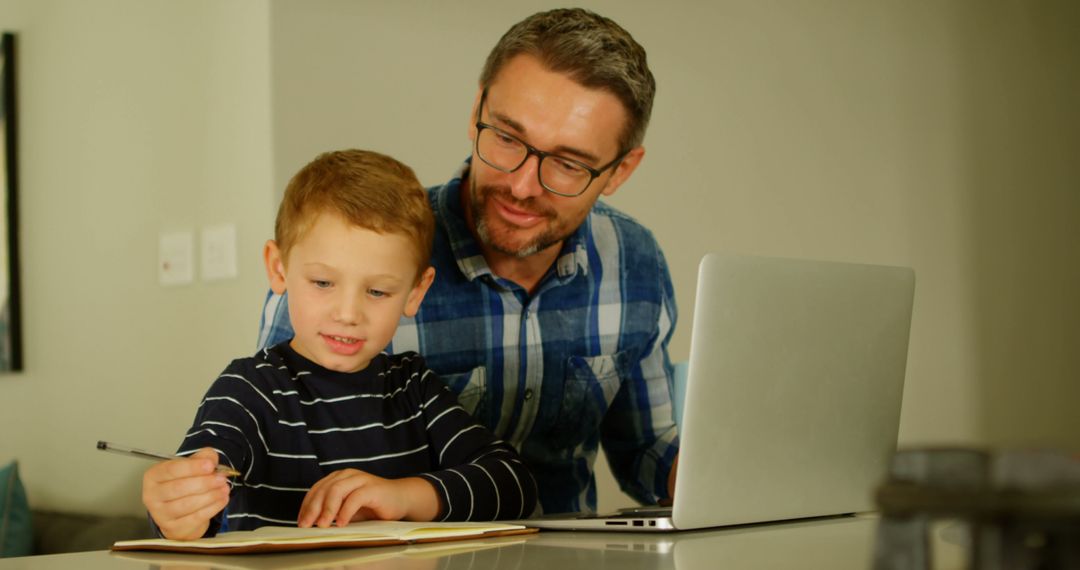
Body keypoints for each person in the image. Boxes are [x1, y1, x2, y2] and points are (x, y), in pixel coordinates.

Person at [260, 8, 678, 515]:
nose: (520, 187)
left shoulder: (635, 263)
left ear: (619, 171)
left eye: (568, 165)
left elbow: (646, 449)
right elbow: (275, 456)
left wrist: (709, 473)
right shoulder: (364, 261)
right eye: (506, 138)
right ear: (477, 106)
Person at [143, 150, 537, 540]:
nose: (348, 313)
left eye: (378, 291)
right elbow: (194, 486)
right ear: (279, 269)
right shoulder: (248, 390)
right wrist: (178, 511)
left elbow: (513, 484)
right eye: (323, 283)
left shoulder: (414, 388)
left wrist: (403, 497)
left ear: (416, 292)